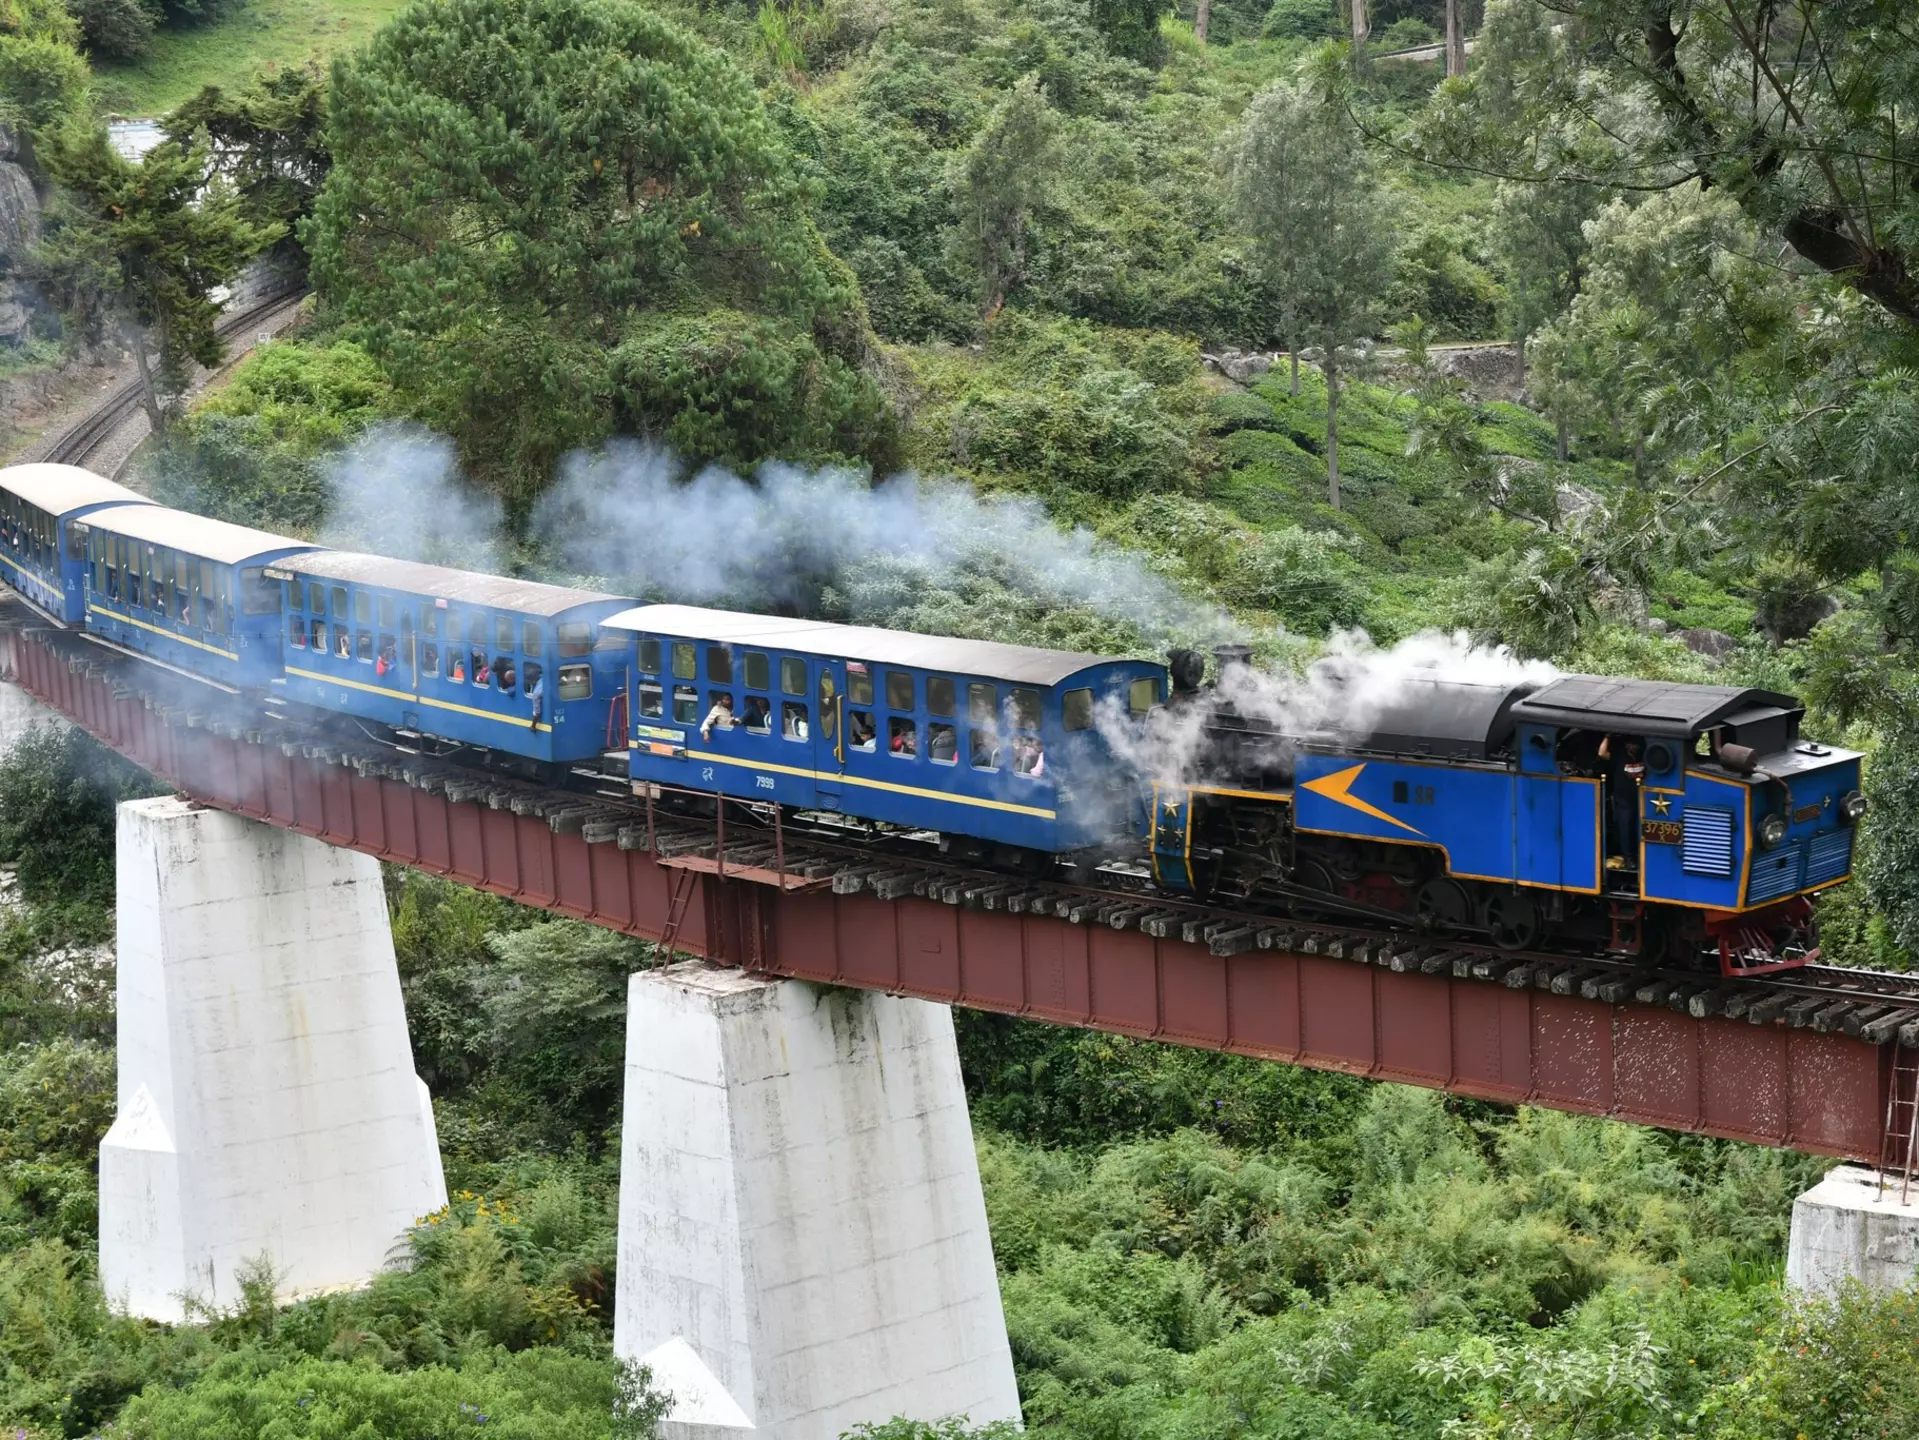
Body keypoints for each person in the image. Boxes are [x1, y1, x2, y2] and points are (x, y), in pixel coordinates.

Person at [1598, 734, 1645, 870]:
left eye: (1636, 744)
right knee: (1626, 828)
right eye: (1631, 744)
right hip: (1623, 800)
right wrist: (1607, 736)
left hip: (1640, 798)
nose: (1634, 747)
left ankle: (1639, 856)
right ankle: (1628, 858)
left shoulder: (1643, 755)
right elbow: (1602, 753)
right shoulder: (1619, 756)